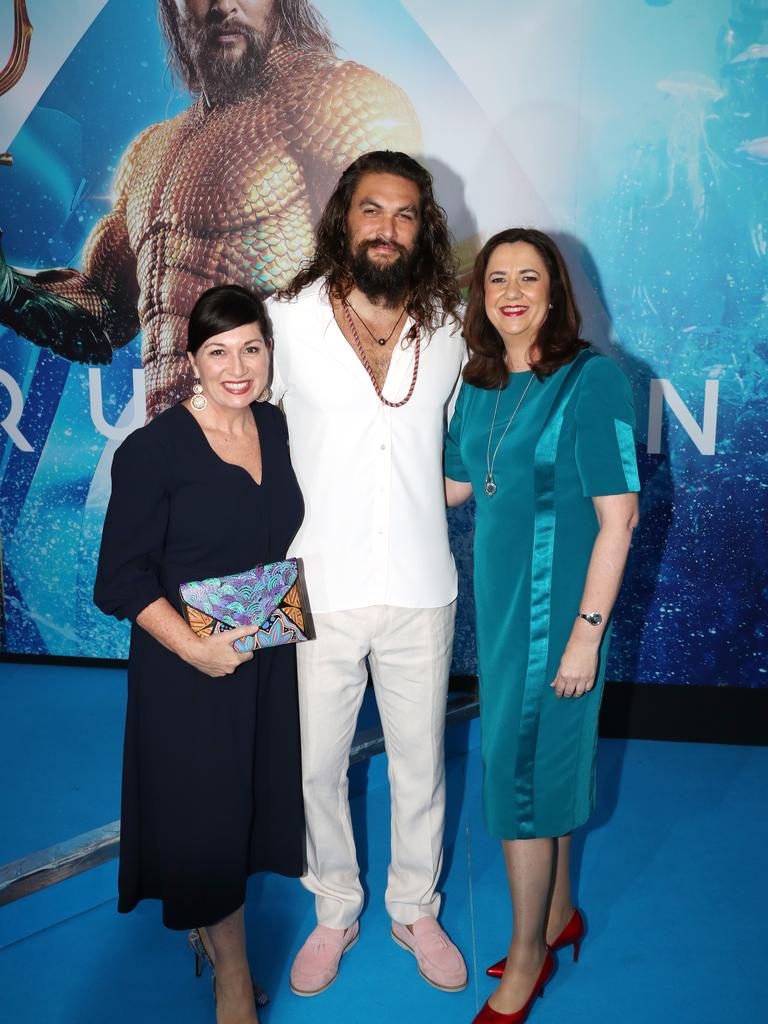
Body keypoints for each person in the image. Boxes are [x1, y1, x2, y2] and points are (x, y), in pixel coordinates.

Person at [0, 0, 420, 418]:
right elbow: (103, 313)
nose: (224, 5)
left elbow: (397, 279)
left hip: (283, 449)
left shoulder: (336, 99)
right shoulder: (151, 151)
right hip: (173, 444)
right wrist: (8, 287)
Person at [267, 149, 468, 996]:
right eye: (372, 211)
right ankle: (334, 908)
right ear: (343, 218)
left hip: (422, 585)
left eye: (406, 214)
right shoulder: (284, 319)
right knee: (317, 763)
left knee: (421, 761)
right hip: (313, 584)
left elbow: (458, 450)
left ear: (423, 228)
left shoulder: (455, 325)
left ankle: (414, 905)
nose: (387, 229)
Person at [93, 284, 305, 1024]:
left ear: (270, 352)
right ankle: (233, 984)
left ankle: (209, 935)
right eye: (218, 352)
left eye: (252, 347)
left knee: (247, 812)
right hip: (190, 672)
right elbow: (119, 578)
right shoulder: (154, 450)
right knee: (208, 823)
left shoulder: (276, 428)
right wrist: (195, 650)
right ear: (191, 361)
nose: (237, 366)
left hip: (267, 659)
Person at [444, 228, 640, 1024]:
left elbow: (619, 521)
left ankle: (527, 961)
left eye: (529, 277)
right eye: (497, 279)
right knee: (538, 768)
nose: (512, 292)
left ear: (555, 292)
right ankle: (558, 917)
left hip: (556, 622)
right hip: (500, 616)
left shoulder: (593, 381)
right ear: (481, 296)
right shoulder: (481, 382)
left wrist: (586, 636)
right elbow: (455, 489)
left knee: (520, 781)